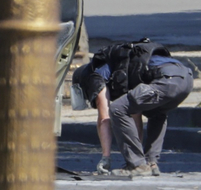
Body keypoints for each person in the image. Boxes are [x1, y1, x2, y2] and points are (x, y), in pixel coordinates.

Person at [71, 39, 193, 177]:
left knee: (117, 108)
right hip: (185, 77)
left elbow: (104, 118)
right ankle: (150, 162)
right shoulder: (121, 68)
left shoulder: (94, 75)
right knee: (156, 113)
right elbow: (135, 115)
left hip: (166, 79)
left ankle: (137, 164)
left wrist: (106, 157)